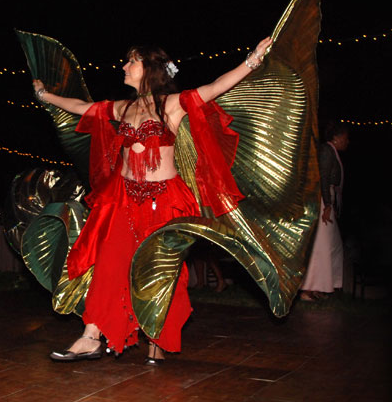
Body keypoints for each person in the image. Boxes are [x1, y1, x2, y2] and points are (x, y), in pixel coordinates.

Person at [33, 36, 272, 365]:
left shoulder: (172, 103)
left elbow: (216, 87)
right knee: (109, 263)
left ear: (149, 68)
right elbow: (81, 108)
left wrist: (252, 60)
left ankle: (156, 336)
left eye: (131, 61)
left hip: (164, 201)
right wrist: (45, 96)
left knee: (161, 272)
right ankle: (91, 337)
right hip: (123, 199)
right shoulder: (125, 107)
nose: (124, 66)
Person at [300, 122, 349, 301]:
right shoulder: (327, 151)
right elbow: (323, 177)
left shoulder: (331, 151)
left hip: (327, 199)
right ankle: (308, 288)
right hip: (322, 200)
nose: (347, 141)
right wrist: (327, 205)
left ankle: (322, 285)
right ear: (336, 138)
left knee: (332, 244)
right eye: (345, 138)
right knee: (322, 245)